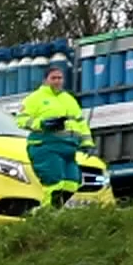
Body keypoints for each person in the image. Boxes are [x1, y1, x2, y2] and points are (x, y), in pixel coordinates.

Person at [15, 65, 91, 207]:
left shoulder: (69, 99)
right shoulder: (34, 98)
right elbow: (21, 119)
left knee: (72, 183)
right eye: (53, 78)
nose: (57, 81)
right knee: (54, 185)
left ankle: (51, 213)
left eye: (60, 78)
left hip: (68, 148)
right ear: (45, 80)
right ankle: (45, 216)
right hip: (45, 146)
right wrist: (42, 124)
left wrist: (87, 143)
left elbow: (80, 122)